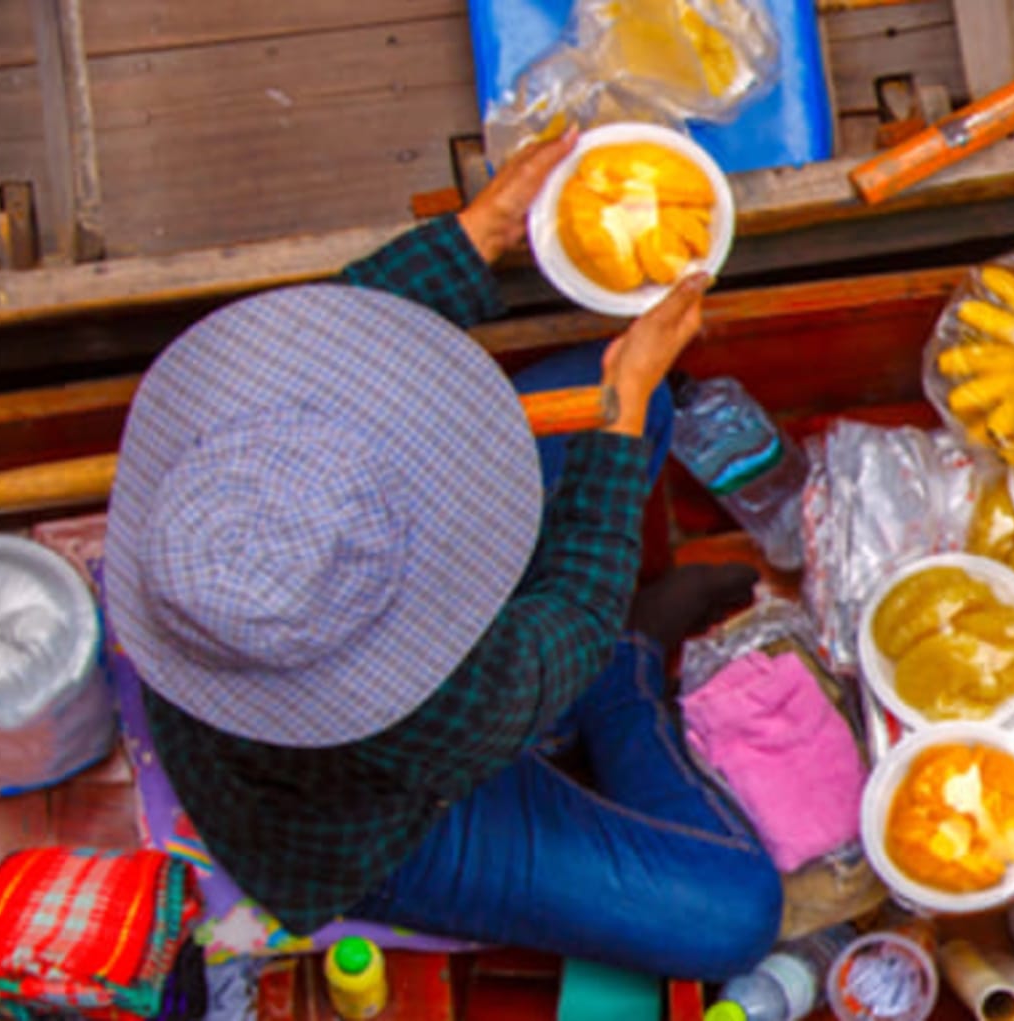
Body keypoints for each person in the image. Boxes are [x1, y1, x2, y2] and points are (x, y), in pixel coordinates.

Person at [99, 129, 782, 980]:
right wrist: (621, 410)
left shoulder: (213, 469)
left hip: (350, 609)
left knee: (603, 389)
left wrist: (478, 234)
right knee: (734, 914)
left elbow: (325, 336)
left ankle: (585, 676)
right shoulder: (431, 706)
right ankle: (619, 680)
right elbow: (567, 616)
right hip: (384, 823)